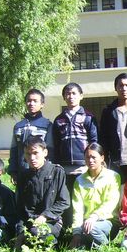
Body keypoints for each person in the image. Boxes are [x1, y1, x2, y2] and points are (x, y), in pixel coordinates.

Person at [52, 82, 98, 228]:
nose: (71, 96)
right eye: (67, 94)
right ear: (64, 97)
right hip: (64, 167)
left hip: (83, 166)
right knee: (67, 197)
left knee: (84, 196)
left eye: (74, 93)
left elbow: (94, 141)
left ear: (81, 96)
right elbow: (55, 144)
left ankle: (85, 226)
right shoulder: (58, 119)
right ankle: (68, 226)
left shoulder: (88, 117)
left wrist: (92, 161)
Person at [14, 138, 70, 252]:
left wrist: (44, 216)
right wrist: (20, 232)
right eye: (28, 154)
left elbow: (64, 202)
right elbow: (20, 207)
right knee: (20, 235)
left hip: (51, 221)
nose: (32, 158)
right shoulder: (23, 176)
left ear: (45, 152)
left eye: (35, 153)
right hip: (29, 221)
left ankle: (53, 244)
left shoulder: (56, 172)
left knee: (35, 232)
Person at [70, 143, 121, 249]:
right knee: (79, 245)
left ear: (102, 158)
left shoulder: (113, 176)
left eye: (94, 157)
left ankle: (105, 247)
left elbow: (111, 202)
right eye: (87, 157)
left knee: (91, 229)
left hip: (108, 221)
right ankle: (89, 243)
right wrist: (76, 233)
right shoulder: (79, 180)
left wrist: (94, 216)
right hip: (87, 223)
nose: (90, 160)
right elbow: (77, 209)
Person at [8, 88, 54, 184]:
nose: (31, 103)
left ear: (42, 104)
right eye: (29, 101)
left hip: (41, 172)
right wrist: (13, 171)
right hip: (22, 171)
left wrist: (48, 170)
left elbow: (50, 150)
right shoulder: (18, 126)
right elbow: (14, 150)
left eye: (35, 101)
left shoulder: (47, 125)